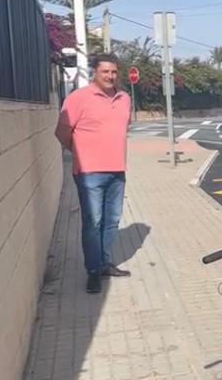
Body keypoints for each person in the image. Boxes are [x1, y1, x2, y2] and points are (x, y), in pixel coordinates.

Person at [55, 54, 132, 294]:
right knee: (93, 222)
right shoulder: (78, 98)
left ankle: (105, 263)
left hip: (117, 170)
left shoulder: (124, 98)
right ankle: (93, 271)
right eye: (105, 72)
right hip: (89, 173)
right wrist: (80, 153)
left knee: (112, 220)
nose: (110, 76)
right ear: (94, 73)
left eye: (113, 72)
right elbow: (61, 132)